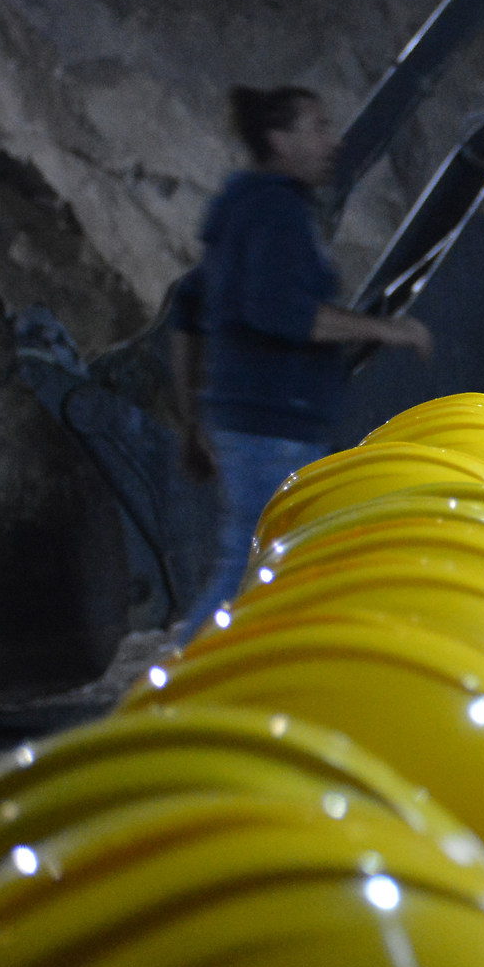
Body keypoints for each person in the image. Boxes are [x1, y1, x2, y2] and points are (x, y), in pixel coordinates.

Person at [169, 85, 431, 641]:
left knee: (260, 559)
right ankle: (174, 685)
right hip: (272, 422)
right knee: (254, 564)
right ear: (278, 139)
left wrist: (194, 418)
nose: (332, 141)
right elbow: (287, 315)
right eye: (315, 127)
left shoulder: (238, 209)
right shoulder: (274, 212)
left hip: (251, 418)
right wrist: (390, 330)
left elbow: (189, 313)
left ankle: (207, 683)